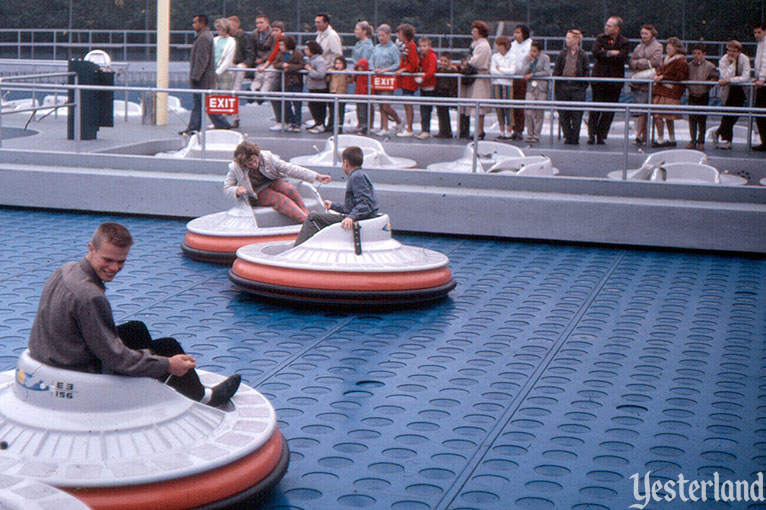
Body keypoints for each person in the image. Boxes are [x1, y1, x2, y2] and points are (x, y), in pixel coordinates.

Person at [28, 222, 241, 407]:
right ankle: (203, 397)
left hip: (53, 350)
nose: (114, 267)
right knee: (168, 347)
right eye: (108, 259)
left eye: (121, 261)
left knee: (135, 328)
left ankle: (156, 384)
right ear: (91, 249)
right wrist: (167, 365)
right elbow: (117, 358)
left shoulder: (67, 269)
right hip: (75, 368)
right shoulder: (90, 296)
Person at [224, 141, 331, 223]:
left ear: (257, 155)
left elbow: (290, 168)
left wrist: (316, 176)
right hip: (255, 192)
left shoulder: (268, 158)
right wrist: (237, 190)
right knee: (280, 200)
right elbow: (227, 188)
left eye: (254, 160)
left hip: (271, 182)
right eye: (249, 163)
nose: (253, 164)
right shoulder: (235, 168)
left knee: (290, 189)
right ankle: (305, 221)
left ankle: (308, 216)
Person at [293, 146, 378, 247]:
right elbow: (351, 207)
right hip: (360, 217)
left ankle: (298, 249)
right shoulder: (361, 175)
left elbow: (366, 203)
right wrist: (333, 205)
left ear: (346, 163)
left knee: (312, 217)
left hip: (359, 220)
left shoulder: (356, 177)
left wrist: (351, 217)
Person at [180, 15, 232, 135]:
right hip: (204, 78)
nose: (193, 25)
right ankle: (193, 127)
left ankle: (222, 124)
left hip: (203, 79)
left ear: (202, 23)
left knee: (205, 103)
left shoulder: (203, 37)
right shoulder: (205, 36)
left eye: (195, 22)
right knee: (200, 104)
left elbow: (202, 60)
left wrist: (195, 76)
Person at [587, 16, 630, 145]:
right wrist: (612, 53)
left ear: (617, 29)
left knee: (609, 110)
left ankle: (601, 135)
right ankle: (591, 134)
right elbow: (596, 53)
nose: (606, 28)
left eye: (609, 26)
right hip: (599, 79)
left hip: (614, 81)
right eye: (606, 25)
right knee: (596, 108)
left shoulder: (624, 42)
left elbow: (622, 57)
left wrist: (606, 53)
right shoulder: (600, 39)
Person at [553, 29, 589, 145]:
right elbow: (557, 69)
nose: (566, 40)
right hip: (563, 86)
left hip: (577, 87)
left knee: (577, 114)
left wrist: (583, 85)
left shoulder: (583, 54)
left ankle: (575, 137)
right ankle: (568, 136)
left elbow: (586, 71)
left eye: (569, 38)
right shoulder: (562, 53)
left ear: (576, 39)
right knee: (563, 114)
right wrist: (557, 83)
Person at [628, 24, 662, 145]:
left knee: (646, 110)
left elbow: (655, 62)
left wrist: (640, 63)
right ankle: (642, 135)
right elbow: (631, 61)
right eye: (642, 33)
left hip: (650, 84)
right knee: (640, 110)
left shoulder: (658, 46)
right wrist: (643, 63)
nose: (643, 36)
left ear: (652, 34)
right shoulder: (638, 47)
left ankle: (640, 135)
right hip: (639, 83)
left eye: (646, 33)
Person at [651, 37, 688, 148]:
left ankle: (660, 139)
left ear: (676, 48)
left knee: (658, 115)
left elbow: (679, 77)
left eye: (670, 48)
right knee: (666, 116)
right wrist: (658, 75)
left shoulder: (681, 61)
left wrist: (663, 77)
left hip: (669, 91)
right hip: (663, 90)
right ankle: (671, 138)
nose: (667, 50)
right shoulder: (667, 59)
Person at [458, 20, 492, 140]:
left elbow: (476, 62)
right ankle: (477, 130)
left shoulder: (483, 46)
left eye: (475, 31)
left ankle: (479, 131)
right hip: (475, 78)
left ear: (481, 33)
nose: (472, 33)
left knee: (479, 106)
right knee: (474, 106)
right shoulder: (475, 44)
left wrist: (469, 61)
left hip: (480, 79)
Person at [715, 40, 751, 150]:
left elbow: (745, 77)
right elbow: (724, 75)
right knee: (728, 115)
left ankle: (717, 132)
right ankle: (728, 140)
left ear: (739, 51)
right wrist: (733, 64)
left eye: (734, 51)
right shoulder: (724, 60)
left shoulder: (744, 59)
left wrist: (730, 80)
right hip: (728, 90)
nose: (731, 53)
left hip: (740, 90)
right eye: (729, 50)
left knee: (735, 115)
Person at [370, 24, 402, 135]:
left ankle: (398, 120)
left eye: (383, 35)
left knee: (386, 105)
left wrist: (386, 70)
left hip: (388, 79)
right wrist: (374, 69)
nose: (381, 38)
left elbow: (397, 63)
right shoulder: (376, 48)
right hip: (378, 79)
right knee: (380, 105)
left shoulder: (393, 48)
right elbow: (371, 60)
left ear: (388, 35)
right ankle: (385, 127)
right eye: (379, 36)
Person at [685, 43, 718, 151]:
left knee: (702, 120)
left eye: (699, 53)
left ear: (704, 54)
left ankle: (701, 141)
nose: (696, 55)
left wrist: (711, 81)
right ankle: (692, 140)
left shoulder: (710, 66)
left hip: (703, 95)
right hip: (692, 94)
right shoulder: (688, 65)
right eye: (694, 53)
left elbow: (714, 77)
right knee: (692, 119)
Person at [272, 35, 305, 132]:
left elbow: (301, 65)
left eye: (282, 45)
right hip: (285, 82)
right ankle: (291, 121)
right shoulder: (279, 54)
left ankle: (297, 123)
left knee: (297, 103)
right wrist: (282, 65)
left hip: (296, 82)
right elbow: (275, 64)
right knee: (286, 103)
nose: (280, 47)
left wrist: (290, 67)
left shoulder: (298, 54)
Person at [521, 40, 552, 143]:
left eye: (535, 51)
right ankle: (529, 134)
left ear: (539, 52)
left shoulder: (545, 58)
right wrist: (531, 63)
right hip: (530, 88)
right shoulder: (527, 58)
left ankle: (536, 135)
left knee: (539, 112)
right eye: (531, 50)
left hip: (541, 88)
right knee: (528, 111)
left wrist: (533, 75)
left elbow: (546, 72)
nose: (532, 53)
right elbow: (523, 72)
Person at [394, 23, 419, 137]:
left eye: (399, 33)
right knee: (406, 103)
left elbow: (413, 64)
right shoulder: (405, 46)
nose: (398, 35)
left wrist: (402, 70)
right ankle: (408, 127)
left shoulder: (411, 46)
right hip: (404, 80)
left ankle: (409, 129)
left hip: (409, 81)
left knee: (408, 104)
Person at [262, 21, 287, 131]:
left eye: (277, 30)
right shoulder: (277, 39)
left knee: (275, 94)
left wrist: (265, 65)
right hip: (278, 67)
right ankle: (282, 121)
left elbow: (274, 53)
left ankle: (282, 121)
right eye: (273, 30)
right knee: (277, 95)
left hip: (281, 70)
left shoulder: (282, 39)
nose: (274, 33)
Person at [227, 15, 252, 128]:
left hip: (239, 65)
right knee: (223, 91)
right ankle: (225, 112)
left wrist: (246, 64)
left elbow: (250, 53)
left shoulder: (245, 37)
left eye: (231, 25)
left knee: (235, 91)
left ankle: (235, 118)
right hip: (228, 66)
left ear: (237, 24)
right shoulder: (226, 37)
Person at [508, 25, 532, 140]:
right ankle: (513, 129)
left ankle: (521, 130)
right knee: (513, 105)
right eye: (514, 32)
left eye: (518, 32)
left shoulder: (530, 45)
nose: (515, 34)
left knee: (521, 106)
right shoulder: (512, 45)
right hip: (513, 78)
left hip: (524, 79)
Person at [490, 35, 515, 140]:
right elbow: (492, 71)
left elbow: (512, 71)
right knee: (498, 107)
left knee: (508, 107)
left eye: (500, 45)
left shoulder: (512, 56)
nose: (498, 47)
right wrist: (504, 71)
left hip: (508, 84)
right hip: (497, 84)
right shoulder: (495, 56)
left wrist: (500, 69)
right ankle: (501, 131)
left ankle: (509, 132)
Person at [415, 37, 438, 139]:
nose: (422, 48)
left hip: (430, 86)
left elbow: (431, 71)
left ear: (429, 46)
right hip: (423, 86)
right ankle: (424, 129)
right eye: (420, 46)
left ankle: (426, 130)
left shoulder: (432, 56)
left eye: (424, 46)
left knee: (426, 110)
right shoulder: (421, 57)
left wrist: (422, 78)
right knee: (423, 109)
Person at [304, 41, 330, 133]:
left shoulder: (319, 60)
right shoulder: (310, 59)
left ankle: (320, 124)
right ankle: (317, 122)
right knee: (312, 105)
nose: (305, 50)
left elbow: (320, 74)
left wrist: (310, 69)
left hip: (319, 88)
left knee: (319, 107)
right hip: (312, 87)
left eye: (307, 48)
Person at [249, 15, 274, 100]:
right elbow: (252, 48)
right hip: (259, 60)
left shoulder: (272, 33)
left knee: (268, 76)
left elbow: (273, 50)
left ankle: (262, 95)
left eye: (261, 23)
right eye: (257, 23)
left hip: (271, 60)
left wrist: (263, 59)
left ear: (267, 23)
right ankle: (253, 93)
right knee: (258, 75)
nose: (259, 25)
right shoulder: (254, 33)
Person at [434, 54, 459, 138]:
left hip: (446, 93)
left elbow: (453, 84)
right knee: (440, 112)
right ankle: (442, 130)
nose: (443, 63)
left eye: (445, 61)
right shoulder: (440, 70)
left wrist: (451, 93)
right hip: (439, 92)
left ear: (449, 61)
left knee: (444, 113)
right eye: (441, 61)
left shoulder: (452, 71)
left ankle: (446, 131)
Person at [327, 56, 353, 133]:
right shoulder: (332, 71)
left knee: (341, 111)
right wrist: (328, 73)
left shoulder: (345, 72)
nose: (338, 65)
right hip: (333, 91)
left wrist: (349, 75)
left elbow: (350, 81)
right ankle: (331, 125)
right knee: (332, 110)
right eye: (336, 63)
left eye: (340, 63)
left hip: (341, 92)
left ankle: (340, 126)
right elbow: (327, 80)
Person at [752, 22, 766, 151]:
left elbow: (765, 61)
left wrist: (761, 78)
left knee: (761, 111)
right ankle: (765, 141)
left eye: (759, 32)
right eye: (755, 32)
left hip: (764, 83)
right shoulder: (761, 43)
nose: (757, 35)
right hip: (762, 80)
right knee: (760, 112)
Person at [354, 58, 371, 134]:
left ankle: (364, 127)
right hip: (358, 95)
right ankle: (361, 125)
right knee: (359, 110)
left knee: (363, 111)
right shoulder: (357, 75)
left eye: (361, 67)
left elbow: (370, 87)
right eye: (359, 67)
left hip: (364, 95)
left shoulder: (368, 75)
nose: (360, 69)